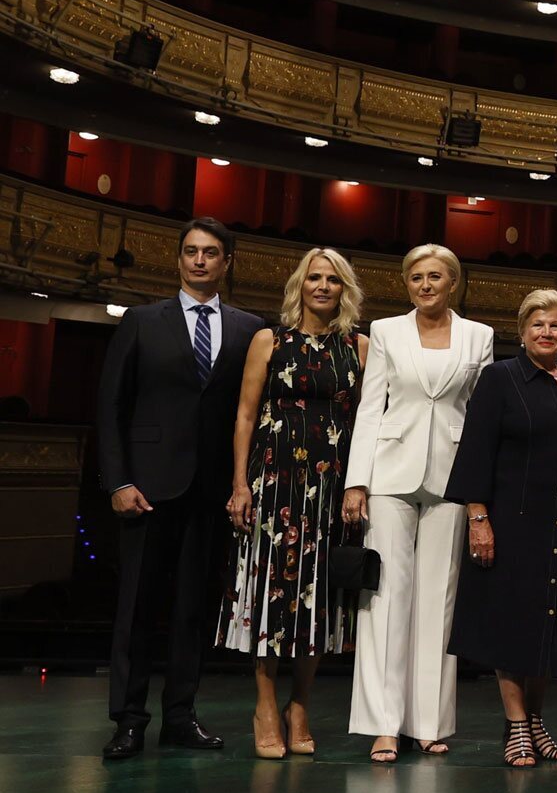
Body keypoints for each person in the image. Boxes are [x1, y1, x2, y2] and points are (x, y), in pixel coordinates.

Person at [97, 217, 265, 759]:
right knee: (137, 607)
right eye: (190, 251)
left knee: (194, 609)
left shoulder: (248, 329)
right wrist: (119, 480)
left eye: (210, 252)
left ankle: (180, 716)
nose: (199, 260)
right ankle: (128, 719)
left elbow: (251, 414)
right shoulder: (142, 321)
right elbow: (110, 408)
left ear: (227, 261)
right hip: (146, 488)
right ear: (178, 259)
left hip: (211, 490)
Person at [343, 244, 495, 763]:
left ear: (453, 282)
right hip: (389, 472)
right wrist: (355, 481)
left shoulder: (480, 336)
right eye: (415, 278)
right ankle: (384, 724)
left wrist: (479, 492)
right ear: (406, 284)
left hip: (453, 474)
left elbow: (480, 418)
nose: (425, 285)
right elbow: (370, 407)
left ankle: (427, 721)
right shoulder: (385, 331)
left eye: (434, 277)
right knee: (385, 595)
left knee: (440, 598)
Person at [219, 247, 368, 759]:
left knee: (319, 599)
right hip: (273, 483)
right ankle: (264, 706)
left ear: (344, 289)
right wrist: (240, 483)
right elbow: (243, 415)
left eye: (332, 279)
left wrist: (360, 485)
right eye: (314, 278)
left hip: (331, 490)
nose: (322, 286)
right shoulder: (269, 340)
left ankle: (299, 705)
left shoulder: (360, 347)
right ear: (299, 286)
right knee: (269, 593)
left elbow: (371, 423)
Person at [445, 290, 557, 768]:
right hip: (509, 521)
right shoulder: (500, 378)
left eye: (555, 326)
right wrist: (478, 518)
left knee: (549, 622)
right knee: (510, 622)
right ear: (522, 331)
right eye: (538, 325)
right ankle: (517, 723)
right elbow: (476, 451)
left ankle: (538, 719)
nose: (547, 333)